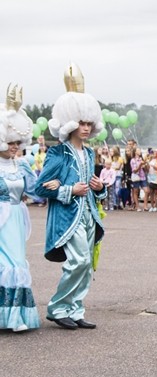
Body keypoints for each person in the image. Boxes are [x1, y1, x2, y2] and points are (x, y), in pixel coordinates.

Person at [34, 63, 107, 330]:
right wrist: (68, 190)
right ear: (71, 123)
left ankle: (75, 309)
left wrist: (99, 188)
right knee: (79, 260)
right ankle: (57, 307)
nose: (86, 128)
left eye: (89, 124)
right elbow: (39, 188)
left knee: (86, 266)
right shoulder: (58, 153)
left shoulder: (89, 153)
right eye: (82, 123)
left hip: (88, 215)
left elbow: (94, 188)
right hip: (67, 217)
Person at [0, 85, 41, 332]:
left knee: (16, 262)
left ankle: (15, 316)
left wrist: (59, 186)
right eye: (10, 141)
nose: (15, 146)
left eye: (18, 141)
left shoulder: (23, 165)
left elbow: (37, 190)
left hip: (15, 217)